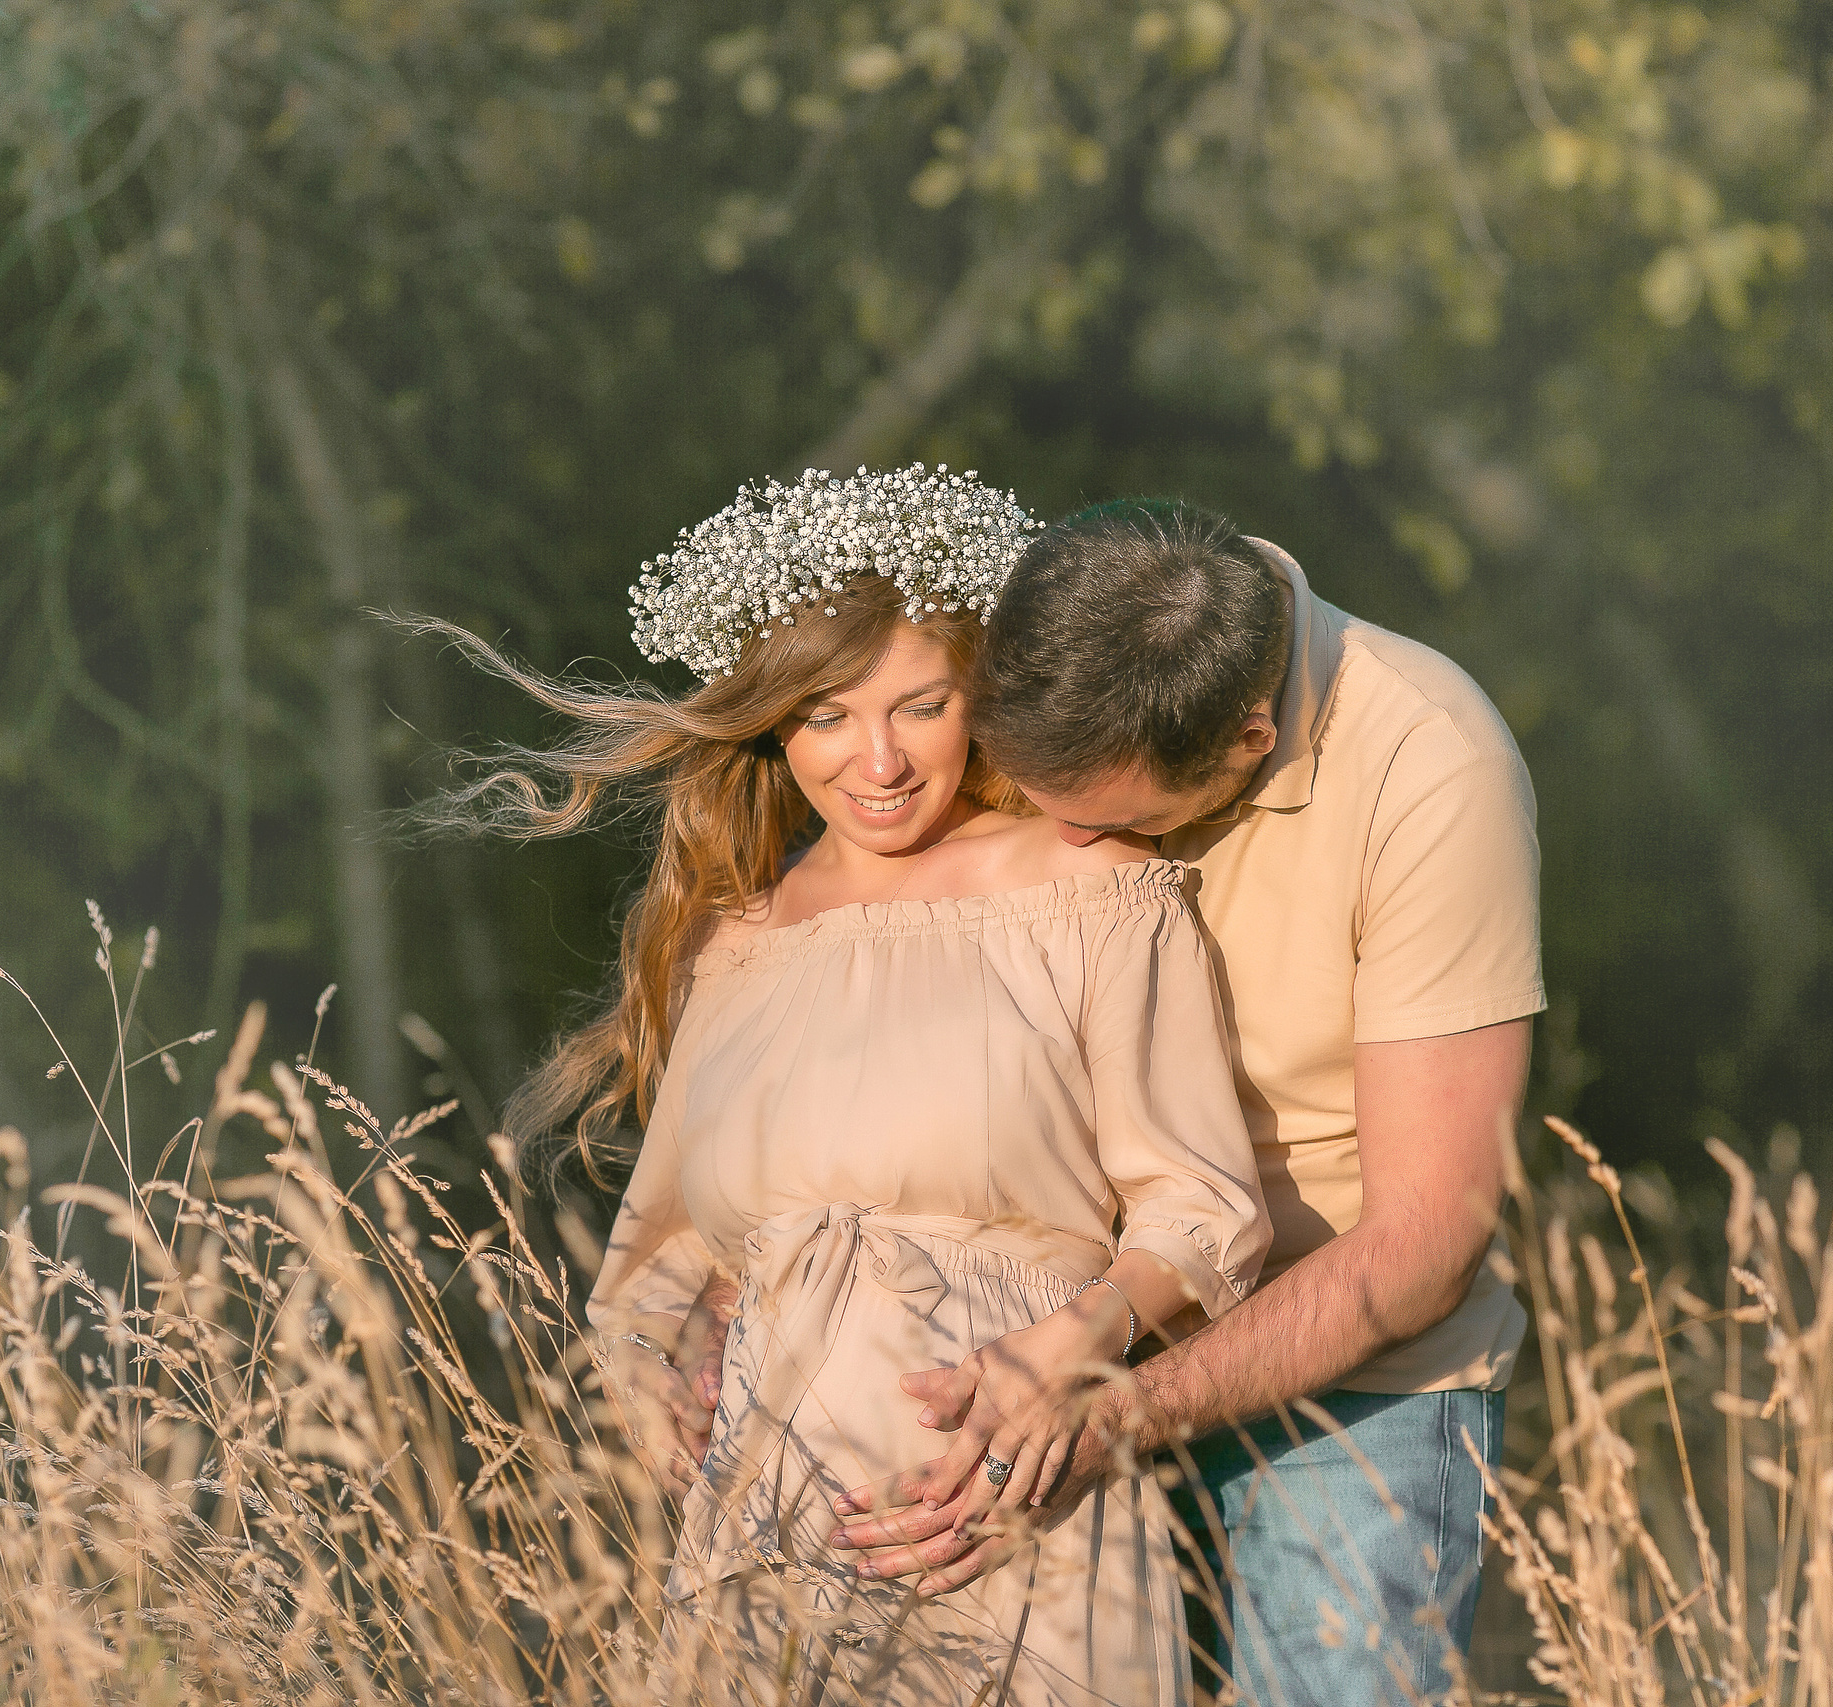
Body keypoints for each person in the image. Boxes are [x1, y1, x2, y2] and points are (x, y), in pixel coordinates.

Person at [430, 468, 1271, 1705]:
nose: (877, 760)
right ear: (773, 724)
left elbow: (1203, 1210)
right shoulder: (733, 943)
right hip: (768, 1528)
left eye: (920, 707)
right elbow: (661, 1261)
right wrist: (655, 1377)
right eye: (825, 716)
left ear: (980, 698)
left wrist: (1075, 1348)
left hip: (1011, 1505)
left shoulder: (1093, 888)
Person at [804, 500, 1545, 1705]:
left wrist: (1115, 1414)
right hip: (1031, 1358)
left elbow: (1423, 1242)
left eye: (1108, 821)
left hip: (1346, 1401)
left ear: (1249, 740)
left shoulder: (1429, 762)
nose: (1062, 844)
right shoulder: (1062, 672)